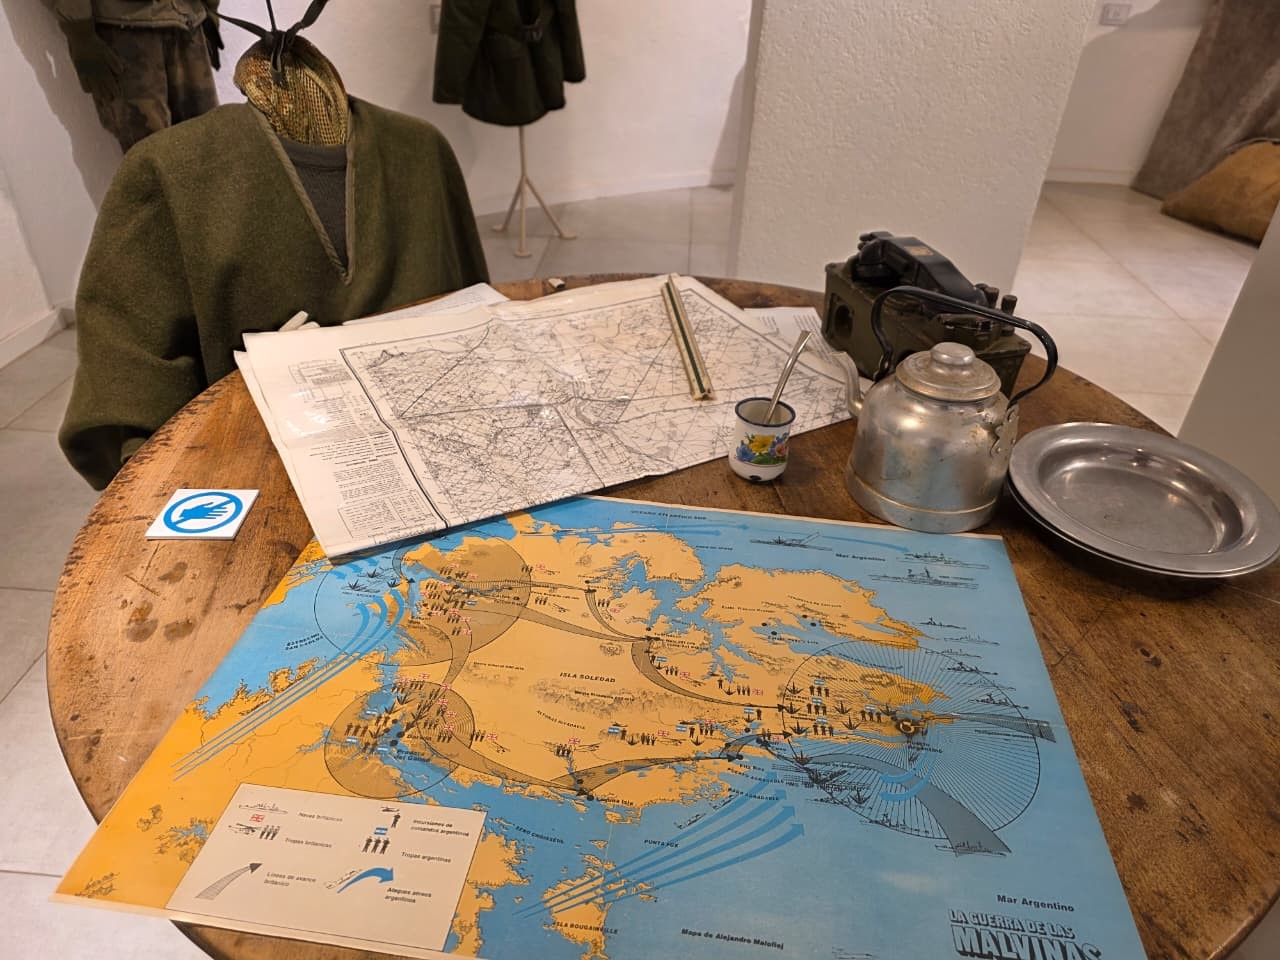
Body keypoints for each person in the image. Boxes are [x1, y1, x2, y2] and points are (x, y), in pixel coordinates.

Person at [59, 36, 489, 489]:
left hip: (438, 458)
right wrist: (251, 393)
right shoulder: (167, 172)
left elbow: (475, 327)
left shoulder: (422, 151)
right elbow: (128, 425)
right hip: (254, 474)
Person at [45, 0, 223, 151]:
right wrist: (80, 33)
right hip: (125, 33)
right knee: (150, 160)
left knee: (209, 151)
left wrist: (210, 9)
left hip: (188, 21)